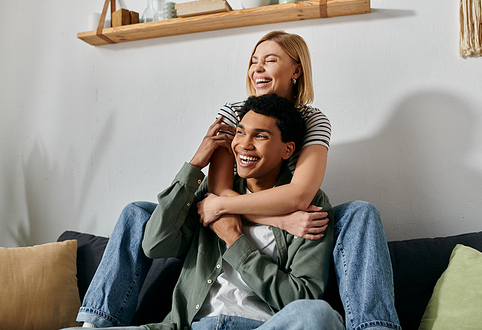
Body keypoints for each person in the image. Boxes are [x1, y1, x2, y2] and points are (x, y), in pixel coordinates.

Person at [75, 30, 401, 330]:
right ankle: (95, 323)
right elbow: (218, 193)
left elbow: (299, 195)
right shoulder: (233, 110)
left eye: (270, 60)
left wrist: (247, 228)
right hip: (228, 226)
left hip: (283, 223)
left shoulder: (312, 119)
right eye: (253, 61)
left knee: (358, 214)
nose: (257, 69)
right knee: (138, 212)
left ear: (296, 70)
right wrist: (198, 172)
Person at [66, 94, 344, 330]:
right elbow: (155, 244)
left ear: (288, 150)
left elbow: (302, 297)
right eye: (240, 132)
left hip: (260, 325)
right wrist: (195, 165)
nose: (244, 144)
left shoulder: (311, 208)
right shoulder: (211, 194)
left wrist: (237, 243)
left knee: (319, 315)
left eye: (260, 136)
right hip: (190, 325)